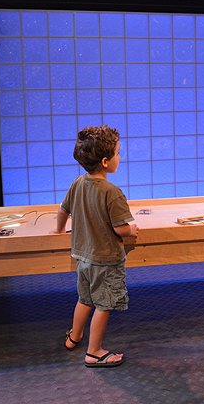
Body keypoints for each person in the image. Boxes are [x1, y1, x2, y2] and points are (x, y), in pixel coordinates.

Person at [53, 125, 138, 368]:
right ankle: (94, 352)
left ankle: (74, 337)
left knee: (85, 299)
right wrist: (132, 229)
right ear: (105, 162)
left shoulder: (78, 183)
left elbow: (63, 210)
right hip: (106, 260)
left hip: (83, 257)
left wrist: (58, 230)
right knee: (104, 305)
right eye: (117, 153)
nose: (120, 157)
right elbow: (121, 229)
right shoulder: (112, 192)